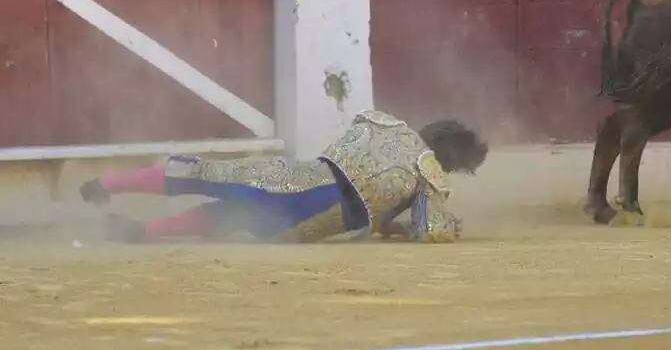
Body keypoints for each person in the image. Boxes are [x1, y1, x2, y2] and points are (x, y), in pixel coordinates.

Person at [79, 110, 488, 243]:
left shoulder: (384, 124)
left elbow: (357, 168)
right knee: (224, 216)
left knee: (203, 174)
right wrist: (451, 227)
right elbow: (428, 230)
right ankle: (144, 232)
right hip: (308, 222)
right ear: (452, 161)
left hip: (301, 178)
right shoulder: (427, 179)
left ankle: (106, 186)